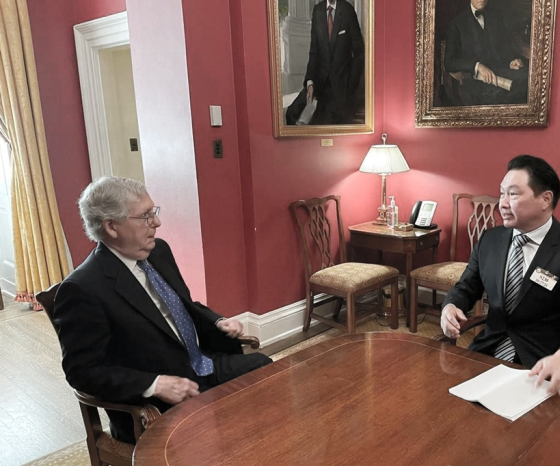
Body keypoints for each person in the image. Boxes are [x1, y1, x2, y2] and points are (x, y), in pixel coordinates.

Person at [54, 177, 272, 442]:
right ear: (111, 226)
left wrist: (217, 321)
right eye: (145, 216)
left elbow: (184, 305)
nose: (156, 223)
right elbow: (83, 372)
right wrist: (154, 385)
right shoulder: (83, 288)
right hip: (157, 402)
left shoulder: (158, 252)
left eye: (153, 213)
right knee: (222, 437)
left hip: (199, 365)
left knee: (267, 373)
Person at [440, 155, 560, 395]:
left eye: (513, 194)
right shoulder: (490, 240)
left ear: (545, 199)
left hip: (545, 366)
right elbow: (466, 288)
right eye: (502, 194)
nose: (503, 204)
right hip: (487, 355)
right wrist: (450, 306)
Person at [285, 0, 364, 125]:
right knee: (291, 114)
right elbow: (314, 52)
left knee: (320, 122)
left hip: (340, 87)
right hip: (318, 82)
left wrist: (350, 86)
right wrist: (310, 81)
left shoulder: (348, 11)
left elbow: (359, 53)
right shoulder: (318, 11)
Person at [443, 0, 528, 105]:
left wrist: (511, 61)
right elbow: (449, 62)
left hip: (501, 72)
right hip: (476, 81)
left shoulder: (496, 15)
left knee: (526, 82)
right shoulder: (456, 23)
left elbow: (504, 46)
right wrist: (477, 66)